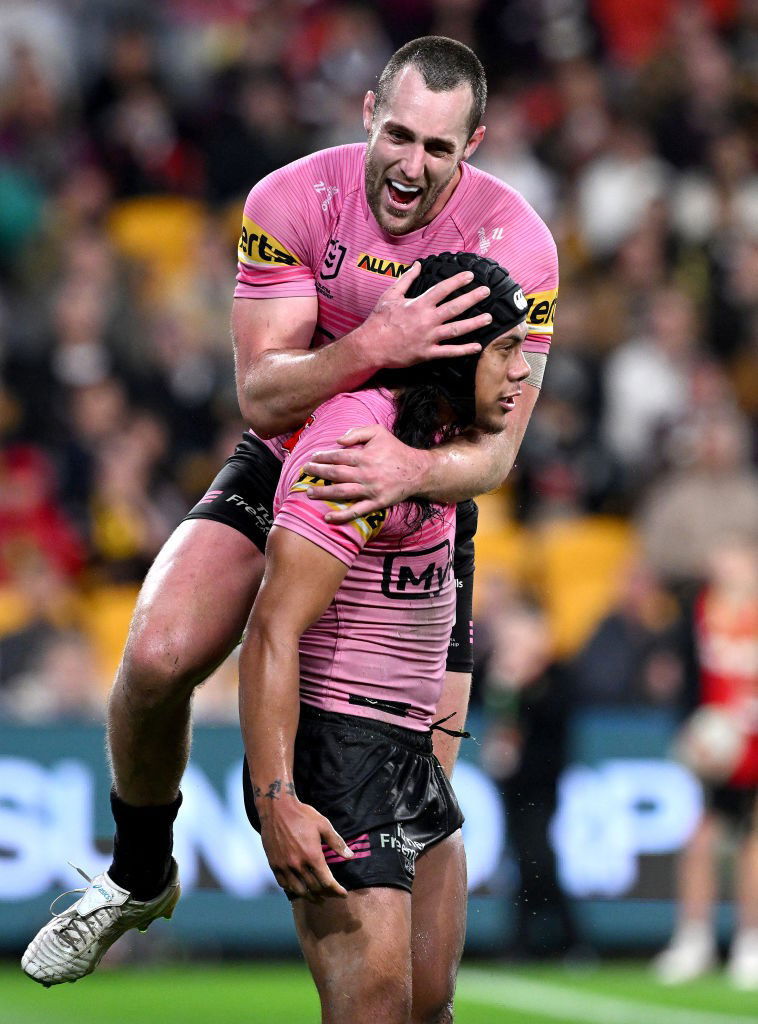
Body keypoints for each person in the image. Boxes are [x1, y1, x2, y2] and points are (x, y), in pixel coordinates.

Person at [22, 35, 558, 986]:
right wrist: (378, 341)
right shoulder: (290, 201)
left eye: (438, 149)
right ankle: (139, 876)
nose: (410, 164)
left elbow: (501, 449)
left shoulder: (519, 244)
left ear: (473, 144)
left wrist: (403, 470)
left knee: (420, 783)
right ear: (365, 112)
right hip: (290, 461)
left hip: (421, 492)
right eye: (397, 135)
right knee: (153, 657)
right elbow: (262, 398)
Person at [241, 251, 531, 1023]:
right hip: (339, 751)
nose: (521, 375)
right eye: (505, 351)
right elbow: (271, 626)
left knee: (429, 1005)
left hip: (408, 754)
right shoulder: (358, 446)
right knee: (374, 1009)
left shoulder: (435, 451)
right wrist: (278, 800)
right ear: (457, 353)